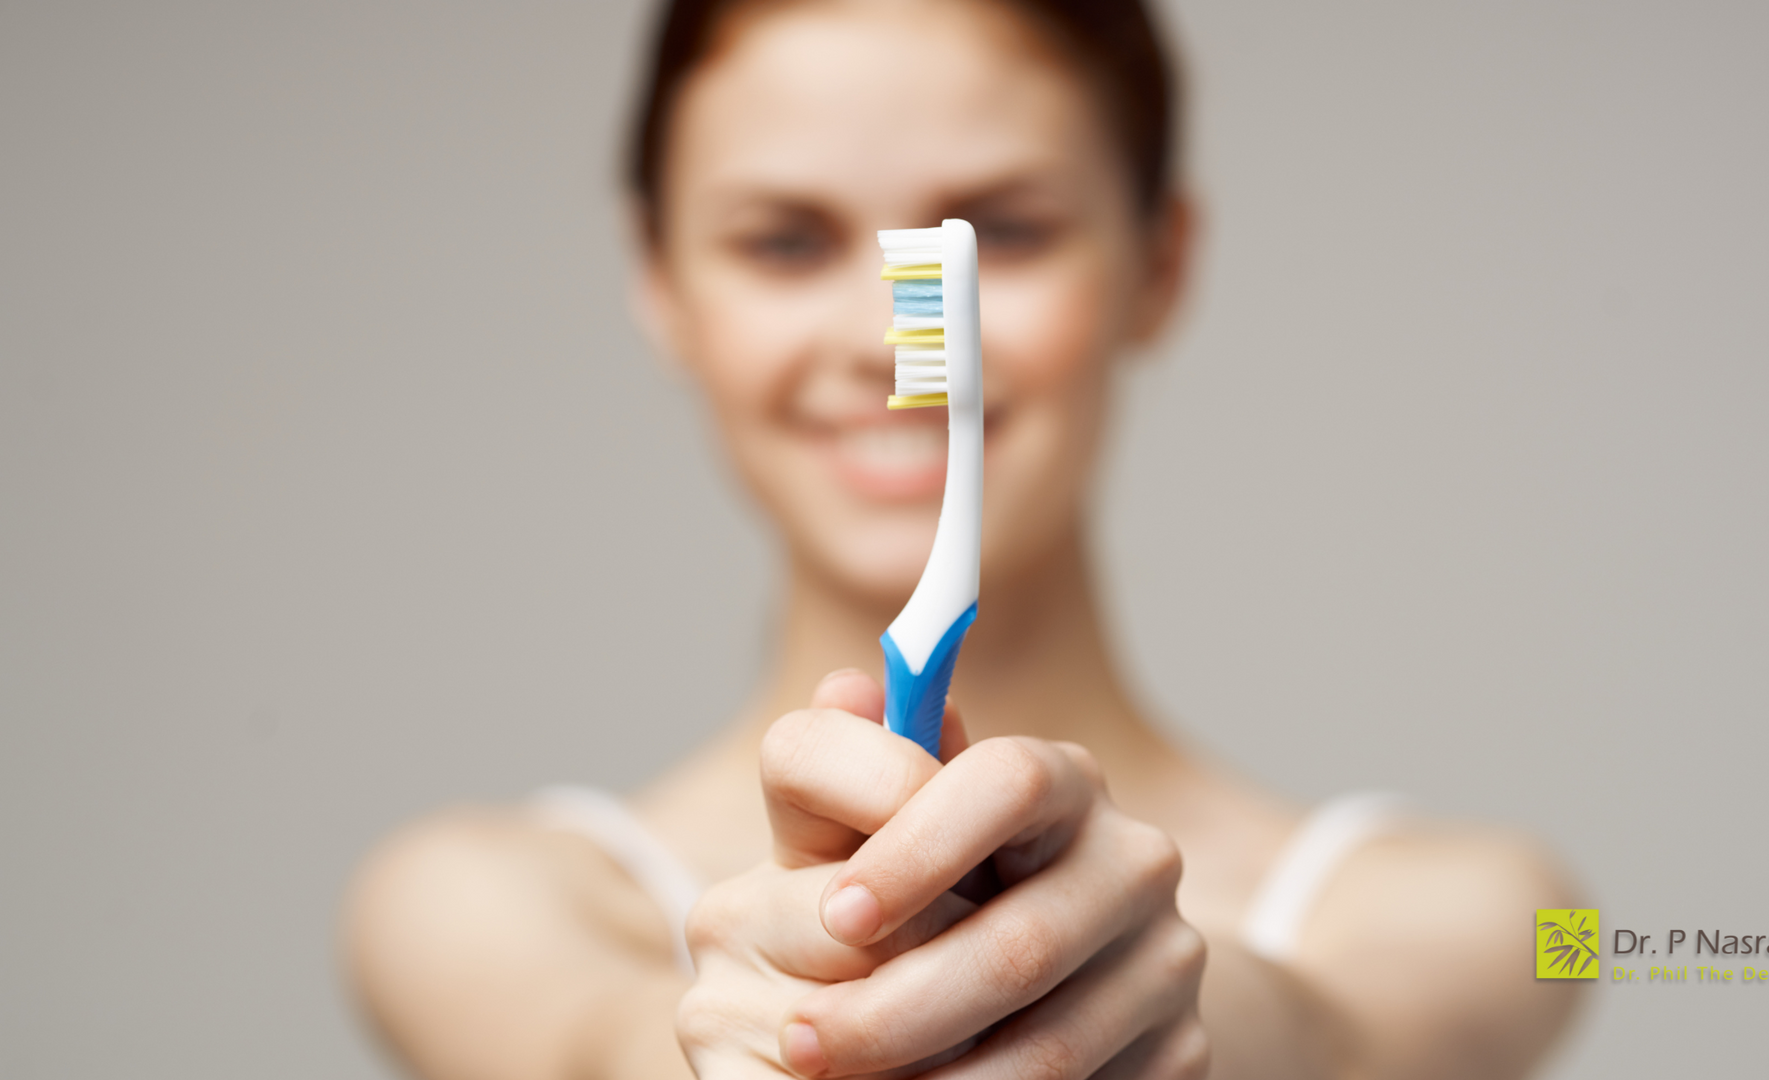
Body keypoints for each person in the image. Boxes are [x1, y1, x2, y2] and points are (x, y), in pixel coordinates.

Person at [345, 0, 1586, 1076]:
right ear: (661, 284)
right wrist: (758, 1042)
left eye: (1005, 229)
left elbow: (1364, 1046)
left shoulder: (1503, 905)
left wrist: (1179, 1020)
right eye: (782, 241)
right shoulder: (466, 900)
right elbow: (586, 1048)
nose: (886, 345)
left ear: (1161, 263)